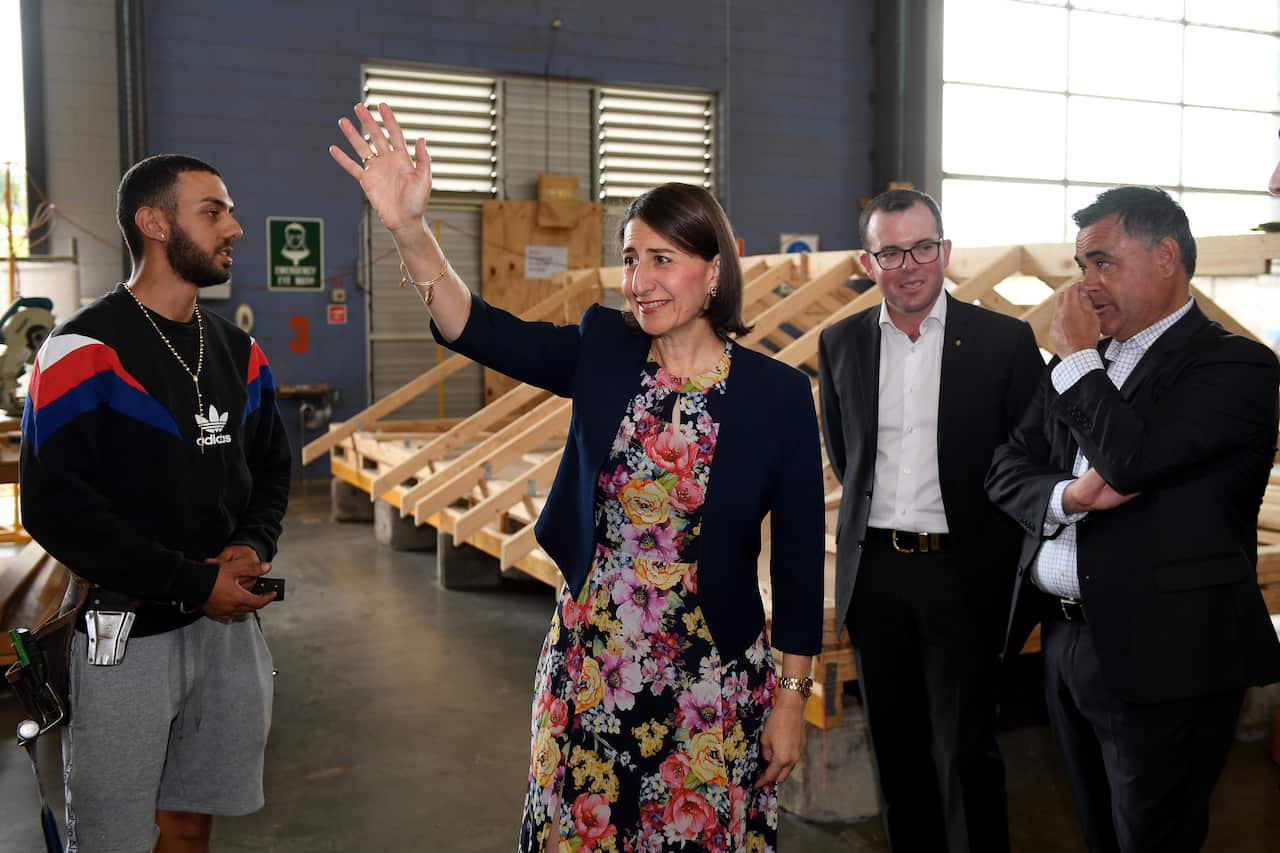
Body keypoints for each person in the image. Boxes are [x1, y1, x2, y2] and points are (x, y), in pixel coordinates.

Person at [330, 102, 824, 851]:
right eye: (630, 257)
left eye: (663, 258)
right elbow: (477, 326)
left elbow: (796, 561)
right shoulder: (605, 349)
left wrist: (792, 695)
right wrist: (408, 227)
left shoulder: (776, 394)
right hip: (592, 667)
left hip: (710, 680)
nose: (641, 279)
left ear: (714, 268)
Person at [985, 186, 1280, 852]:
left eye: (1102, 263)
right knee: (1100, 831)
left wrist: (1081, 361)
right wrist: (1070, 496)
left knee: (1153, 836)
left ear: (1166, 256)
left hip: (1167, 653)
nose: (1086, 285)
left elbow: (1133, 460)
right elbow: (1007, 467)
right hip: (1065, 646)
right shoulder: (1075, 364)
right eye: (1080, 267)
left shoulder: (1232, 366)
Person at [19, 154, 292, 853]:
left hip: (224, 628)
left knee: (193, 817)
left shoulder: (240, 351)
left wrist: (254, 542)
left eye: (228, 210)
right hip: (124, 630)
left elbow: (271, 463)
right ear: (153, 222)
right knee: (112, 832)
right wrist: (191, 581)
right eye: (213, 211)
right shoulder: (82, 348)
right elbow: (56, 508)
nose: (234, 225)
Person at [817, 188, 1042, 851]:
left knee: (967, 753)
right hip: (877, 575)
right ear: (868, 261)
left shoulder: (1004, 342)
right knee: (898, 753)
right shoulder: (841, 344)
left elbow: (1030, 461)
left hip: (964, 574)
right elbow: (844, 452)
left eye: (921, 247)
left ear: (945, 252)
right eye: (890, 250)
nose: (908, 264)